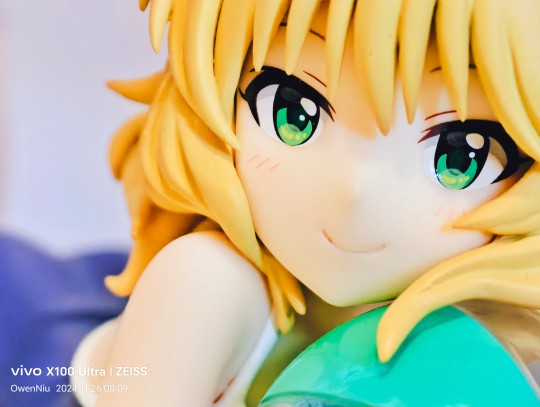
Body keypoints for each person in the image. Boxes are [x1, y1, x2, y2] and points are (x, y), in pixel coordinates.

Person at [79, 0, 540, 405]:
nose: (356, 190)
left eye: (458, 158)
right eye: (293, 113)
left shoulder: (463, 338)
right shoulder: (206, 282)